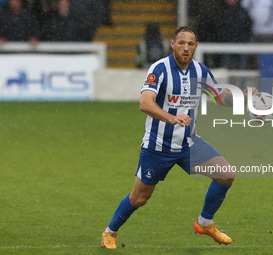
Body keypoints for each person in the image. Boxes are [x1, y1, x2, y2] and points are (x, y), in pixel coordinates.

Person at [101, 26, 257, 249]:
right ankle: (110, 232)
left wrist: (246, 99)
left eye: (190, 44)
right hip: (158, 146)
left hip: (188, 143)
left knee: (226, 175)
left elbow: (220, 97)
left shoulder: (200, 71)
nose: (185, 48)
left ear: (196, 47)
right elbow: (145, 103)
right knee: (139, 198)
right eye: (181, 43)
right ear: (172, 44)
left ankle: (204, 223)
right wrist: (170, 118)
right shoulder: (160, 68)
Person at [214, 0, 252, 69]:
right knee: (225, 67)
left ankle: (242, 79)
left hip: (241, 44)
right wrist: (225, 40)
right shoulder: (222, 12)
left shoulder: (242, 12)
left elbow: (248, 28)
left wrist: (243, 40)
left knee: (242, 67)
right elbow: (218, 28)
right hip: (226, 44)